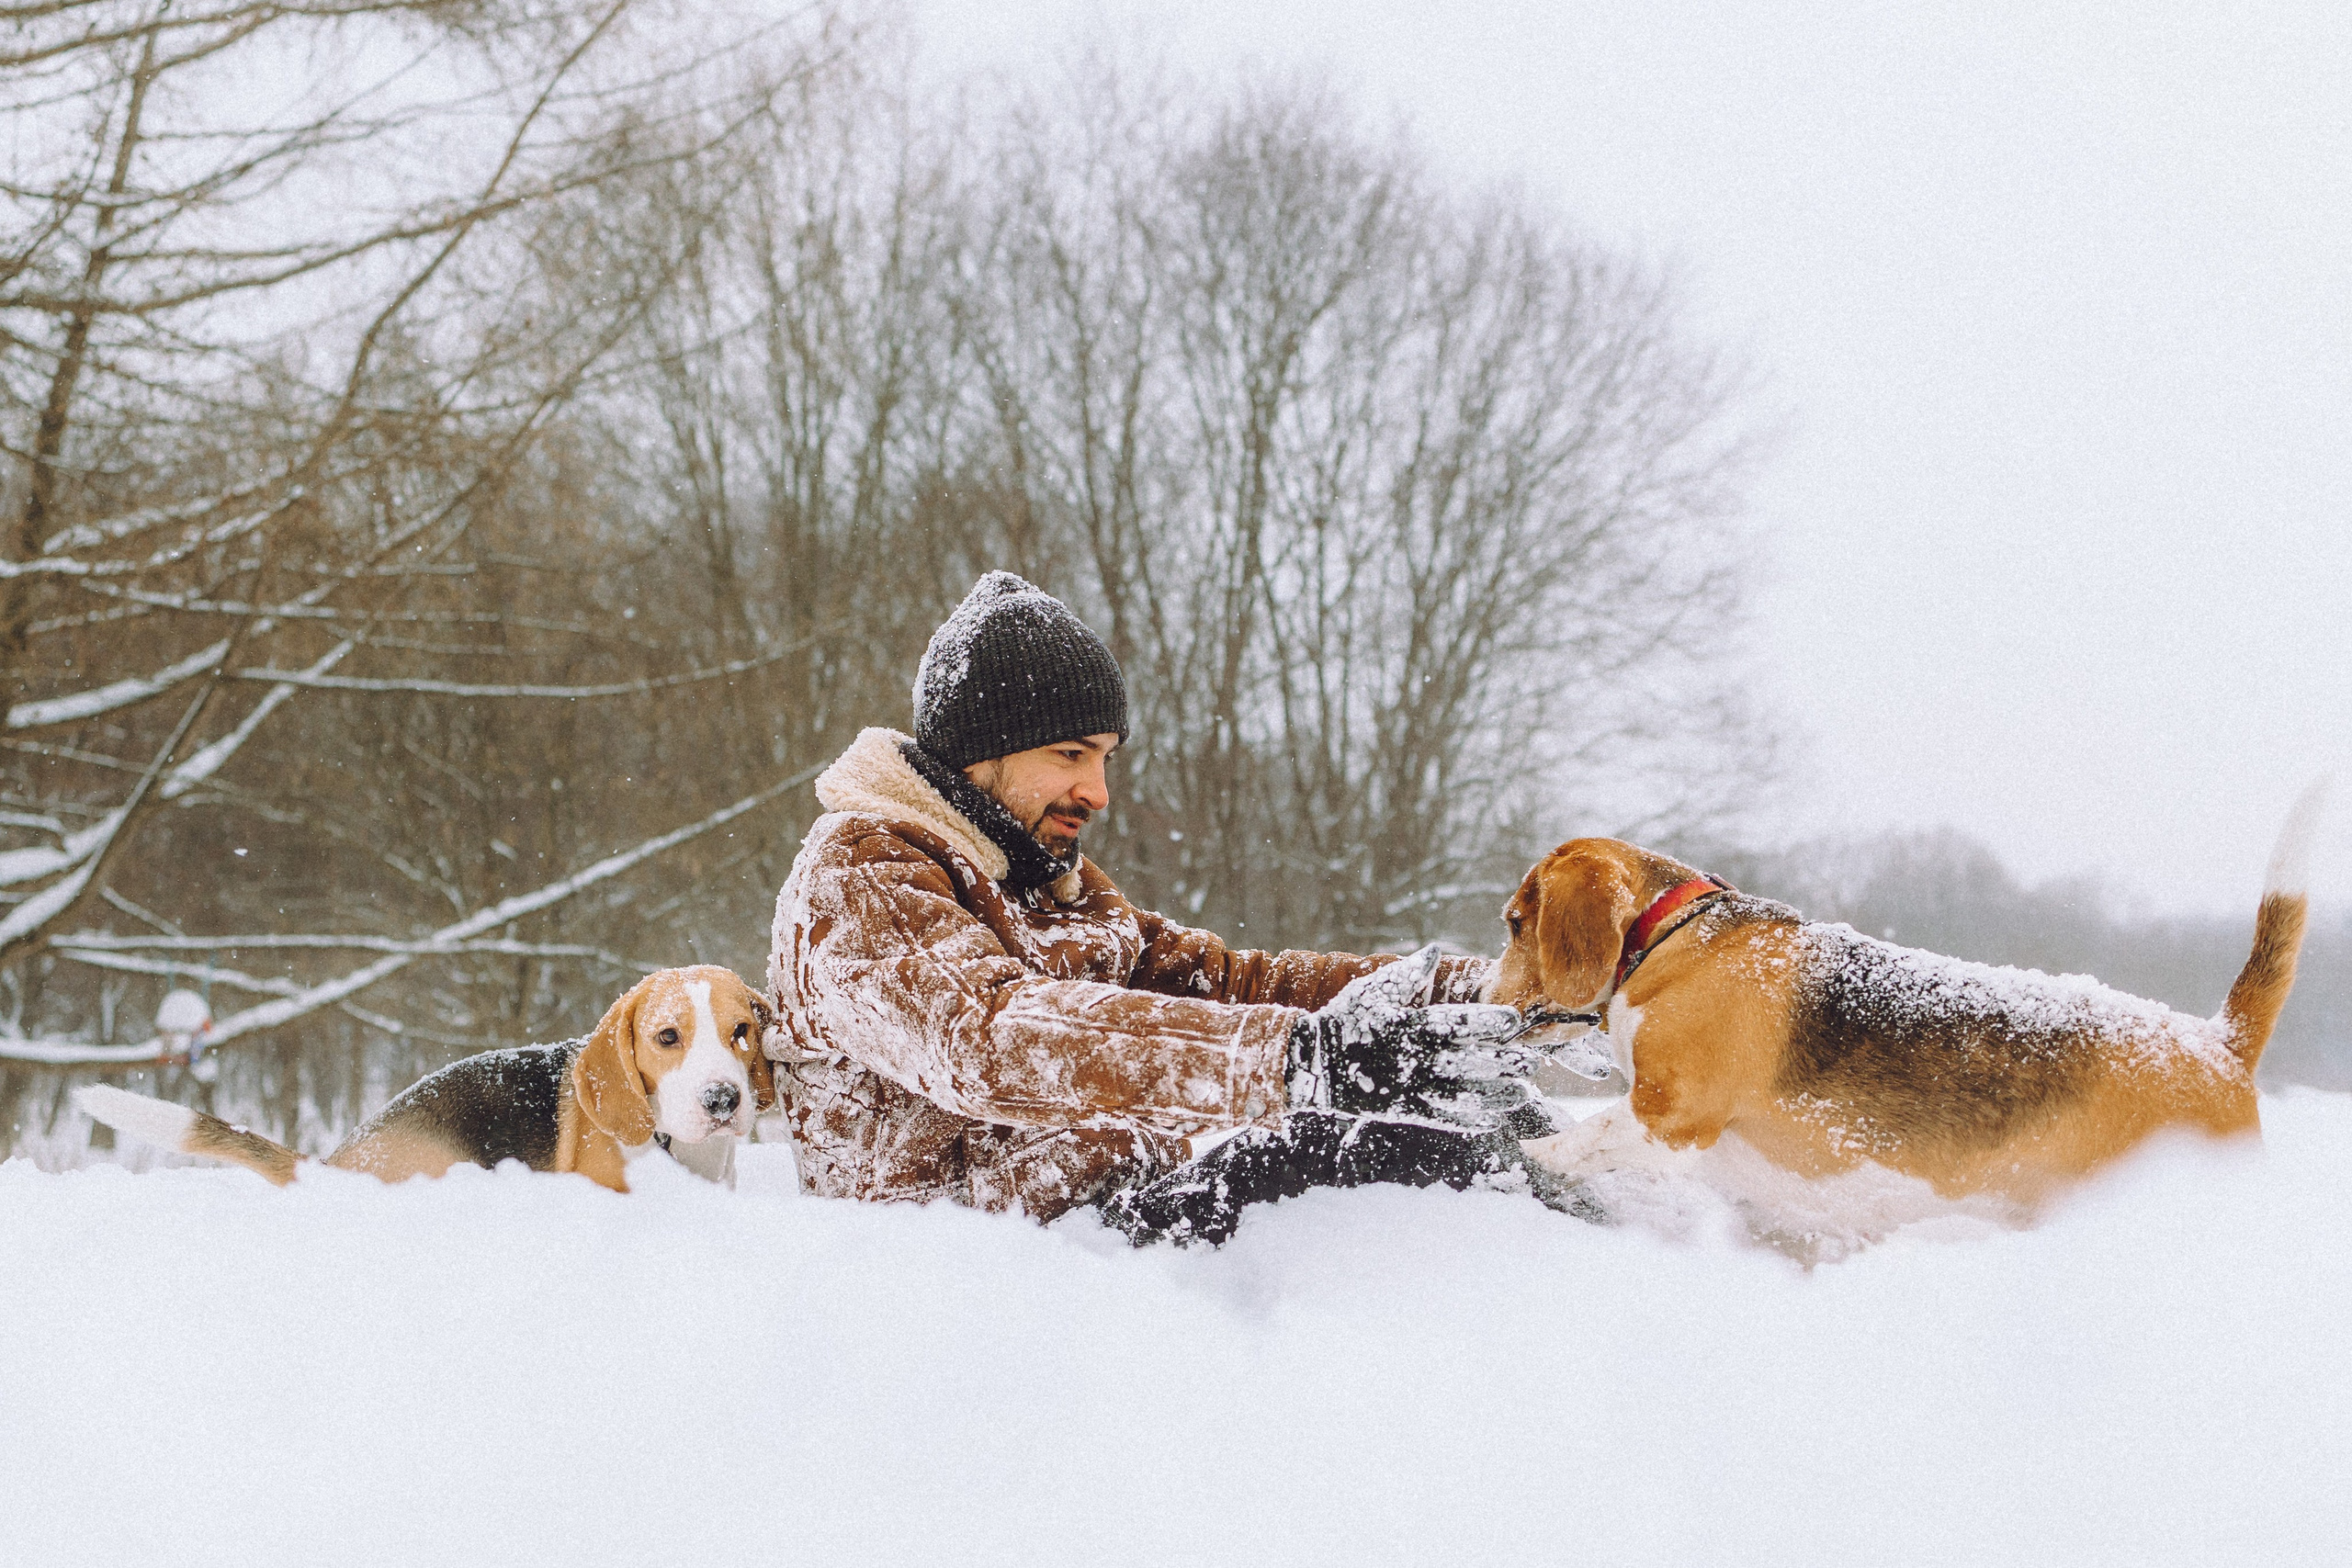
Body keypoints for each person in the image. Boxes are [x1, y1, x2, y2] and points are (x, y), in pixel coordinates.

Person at [765, 571, 1549, 1245]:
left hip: (1111, 1223)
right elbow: (986, 1037)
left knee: (1464, 1132)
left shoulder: (1047, 883)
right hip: (975, 1276)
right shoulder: (863, 870)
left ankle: (1594, 1219)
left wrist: (1500, 989)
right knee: (1347, 1156)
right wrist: (1303, 1061)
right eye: (1070, 755)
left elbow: (1230, 985)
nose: (1098, 791)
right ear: (980, 751)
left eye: (1105, 758)